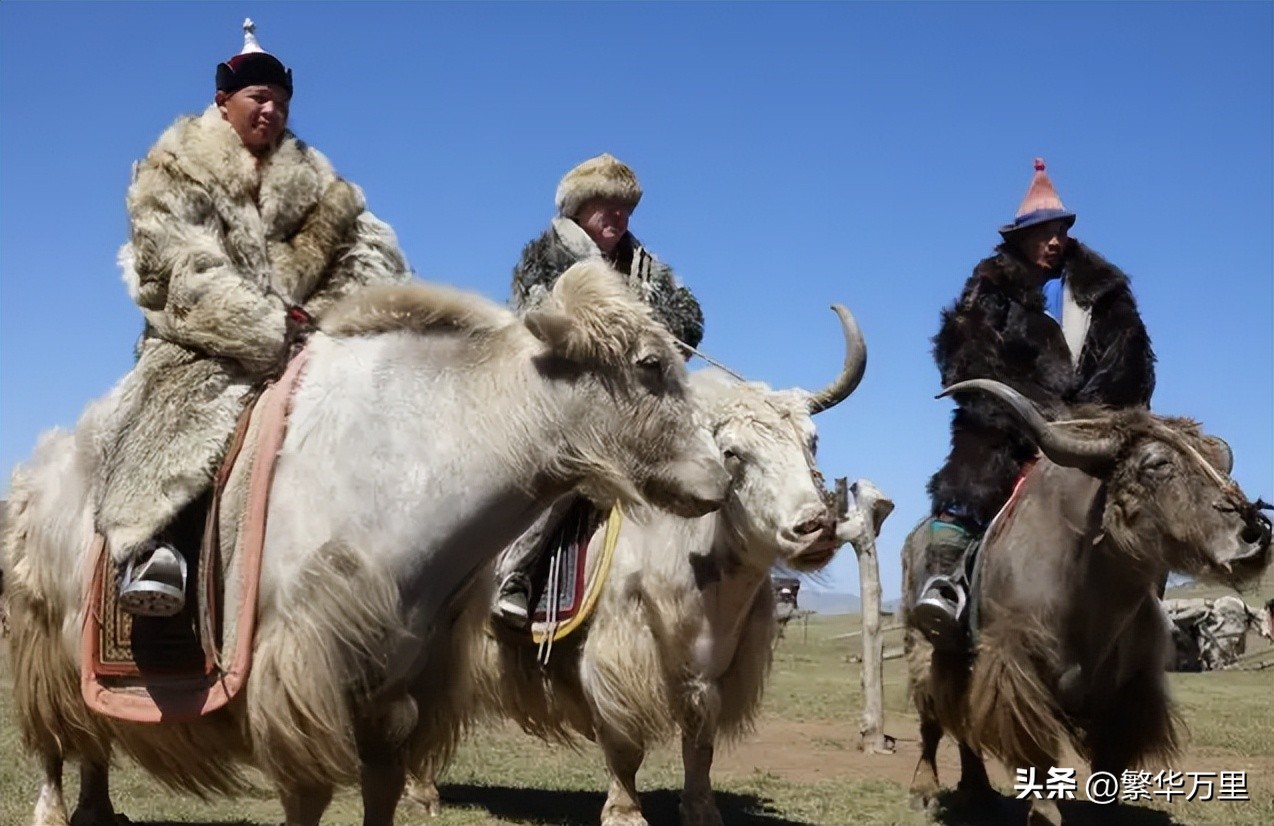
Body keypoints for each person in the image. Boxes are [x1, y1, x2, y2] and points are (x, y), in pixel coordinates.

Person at [97, 19, 412, 616]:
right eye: (260, 98)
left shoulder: (324, 185)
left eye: (283, 101)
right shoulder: (174, 168)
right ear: (224, 101)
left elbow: (372, 260)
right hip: (200, 340)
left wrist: (322, 319)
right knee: (174, 408)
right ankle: (153, 547)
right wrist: (266, 327)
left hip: (310, 335)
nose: (273, 110)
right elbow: (178, 266)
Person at [910, 158, 1156, 652]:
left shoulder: (1104, 293)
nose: (1053, 241)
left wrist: (1088, 422)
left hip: (1093, 430)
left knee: (1148, 499)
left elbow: (1129, 367)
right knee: (964, 492)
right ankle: (946, 590)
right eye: (1041, 231)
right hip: (1007, 424)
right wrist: (1028, 410)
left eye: (1059, 230)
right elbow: (966, 356)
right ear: (1019, 237)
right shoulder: (990, 286)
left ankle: (1145, 611)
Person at [494, 153, 704, 626]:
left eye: (623, 206)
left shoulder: (650, 269)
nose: (616, 215)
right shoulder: (544, 256)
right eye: (603, 204)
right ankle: (514, 573)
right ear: (578, 208)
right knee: (574, 468)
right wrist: (625, 330)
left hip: (641, 402)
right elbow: (539, 317)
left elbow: (689, 317)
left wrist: (656, 339)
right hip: (560, 395)